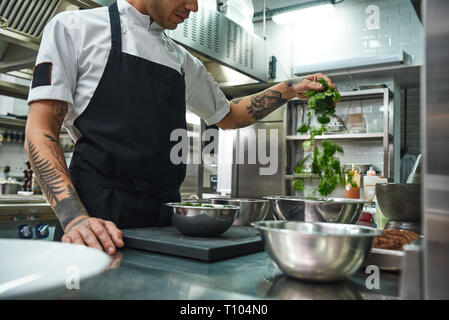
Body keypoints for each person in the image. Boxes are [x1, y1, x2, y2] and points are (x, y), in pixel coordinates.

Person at [25, 0, 337, 254]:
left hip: (165, 222)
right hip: (96, 220)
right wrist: (75, 218)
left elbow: (230, 115)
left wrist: (290, 88)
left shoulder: (181, 60)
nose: (195, 7)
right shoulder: (75, 28)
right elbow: (41, 131)